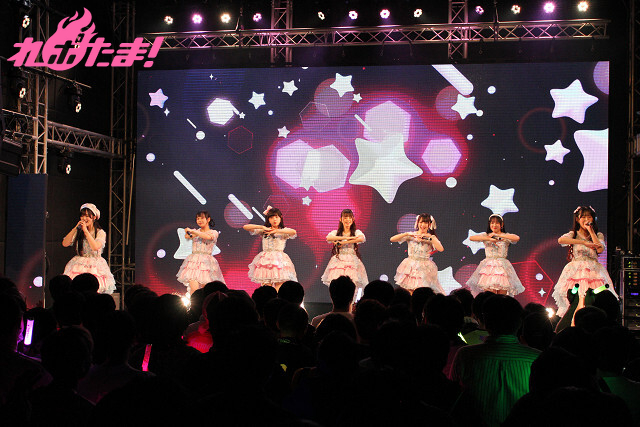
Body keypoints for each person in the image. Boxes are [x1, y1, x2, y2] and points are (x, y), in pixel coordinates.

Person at [551, 206, 618, 317]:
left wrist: (591, 231)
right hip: (576, 271)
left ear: (593, 219)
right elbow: (561, 240)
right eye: (583, 217)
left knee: (595, 301)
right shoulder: (573, 234)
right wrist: (583, 242)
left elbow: (600, 249)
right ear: (578, 219)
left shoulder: (598, 235)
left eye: (589, 216)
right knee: (577, 301)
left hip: (594, 272)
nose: (586, 219)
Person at [62, 203, 116, 294]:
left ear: (94, 217)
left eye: (87, 216)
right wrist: (75, 228)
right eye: (82, 215)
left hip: (95, 264)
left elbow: (95, 247)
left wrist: (86, 231)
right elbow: (65, 243)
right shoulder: (79, 232)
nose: (84, 218)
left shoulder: (100, 232)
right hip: (79, 264)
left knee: (94, 290)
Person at [466, 214, 524, 296]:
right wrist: (489, 238)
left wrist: (498, 235)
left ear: (501, 225)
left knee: (502, 296)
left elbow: (517, 238)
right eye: (492, 223)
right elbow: (471, 238)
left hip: (502, 267)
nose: (494, 225)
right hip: (489, 267)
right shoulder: (486, 235)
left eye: (497, 223)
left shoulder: (505, 236)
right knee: (489, 295)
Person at [243, 206, 297, 290]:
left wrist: (277, 231)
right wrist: (261, 227)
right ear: (268, 219)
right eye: (271, 217)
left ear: (280, 218)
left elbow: (293, 232)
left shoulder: (283, 231)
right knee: (266, 287)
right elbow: (246, 227)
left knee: (279, 285)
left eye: (276, 217)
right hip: (266, 260)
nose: (274, 219)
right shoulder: (265, 230)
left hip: (279, 261)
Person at [390, 213, 444, 294]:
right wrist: (406, 234)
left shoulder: (431, 237)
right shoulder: (411, 235)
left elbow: (441, 249)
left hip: (424, 267)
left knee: (420, 291)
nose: (423, 225)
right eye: (421, 222)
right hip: (410, 266)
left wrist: (430, 239)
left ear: (429, 224)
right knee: (408, 291)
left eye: (425, 223)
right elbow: (392, 239)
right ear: (417, 223)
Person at [321, 209, 368, 298]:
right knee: (338, 286)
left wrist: (343, 242)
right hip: (339, 261)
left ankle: (350, 306)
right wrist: (348, 238)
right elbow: (329, 238)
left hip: (352, 262)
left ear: (353, 219)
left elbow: (361, 238)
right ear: (341, 219)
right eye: (345, 217)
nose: (347, 220)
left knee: (352, 286)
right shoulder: (336, 232)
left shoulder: (356, 232)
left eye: (350, 217)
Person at [176, 211, 225, 295]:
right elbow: (187, 236)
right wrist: (189, 232)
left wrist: (194, 231)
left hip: (206, 262)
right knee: (193, 289)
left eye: (202, 218)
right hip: (194, 261)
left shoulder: (214, 232)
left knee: (206, 289)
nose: (199, 220)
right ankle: (194, 303)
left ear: (208, 219)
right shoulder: (195, 232)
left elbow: (207, 237)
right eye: (197, 219)